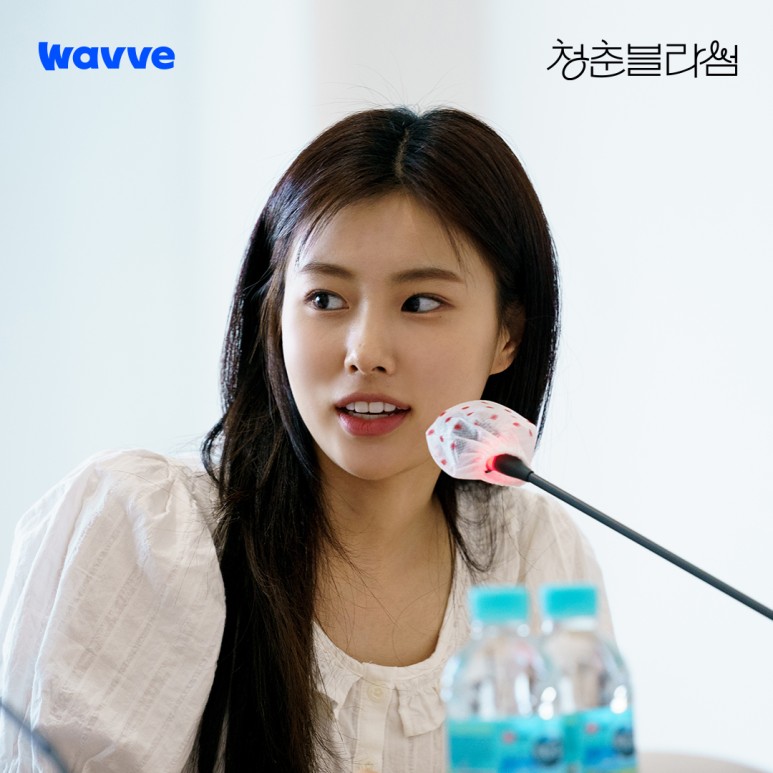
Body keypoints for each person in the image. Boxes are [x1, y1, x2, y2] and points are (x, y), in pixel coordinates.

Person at [0, 106, 612, 773]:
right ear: (275, 313)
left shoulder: (536, 556)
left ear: (507, 336)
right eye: (325, 299)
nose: (365, 352)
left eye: (420, 303)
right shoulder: (152, 533)